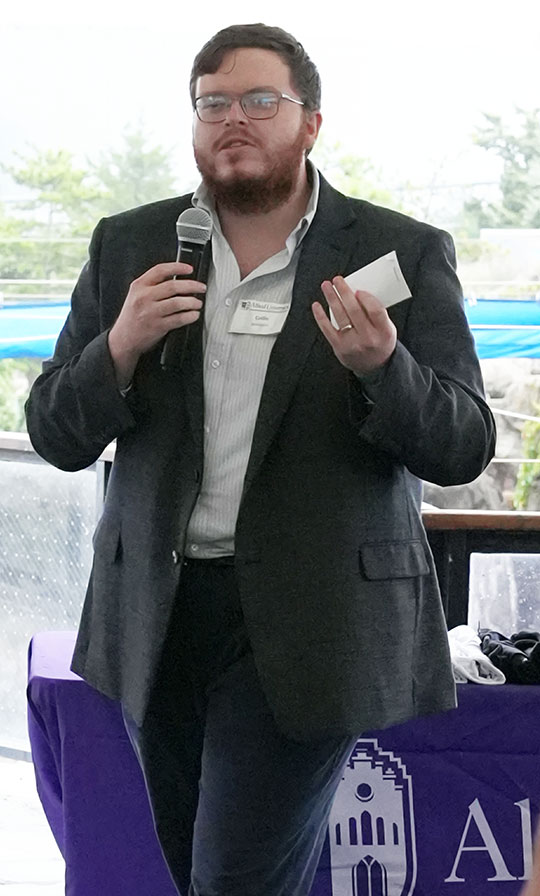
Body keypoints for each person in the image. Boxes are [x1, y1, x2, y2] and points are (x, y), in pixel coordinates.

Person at [25, 22, 496, 896]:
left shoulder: (399, 250)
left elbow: (465, 442)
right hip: (158, 615)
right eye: (212, 103)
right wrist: (118, 348)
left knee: (234, 879)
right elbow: (55, 432)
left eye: (259, 101)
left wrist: (383, 370)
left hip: (310, 621)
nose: (231, 119)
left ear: (311, 123)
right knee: (196, 867)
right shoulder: (131, 245)